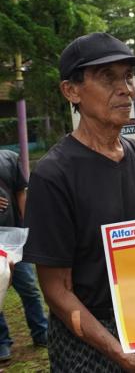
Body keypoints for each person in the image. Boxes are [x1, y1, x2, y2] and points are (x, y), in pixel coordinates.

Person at [22, 32, 135, 372]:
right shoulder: (54, 174)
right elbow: (56, 290)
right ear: (71, 91)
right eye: (108, 78)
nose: (126, 89)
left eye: (128, 77)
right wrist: (120, 353)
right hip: (89, 343)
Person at [0, 150, 48, 361]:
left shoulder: (9, 158)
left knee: (29, 287)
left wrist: (29, 228)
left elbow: (21, 192)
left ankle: (41, 332)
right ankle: (2, 343)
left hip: (13, 239)